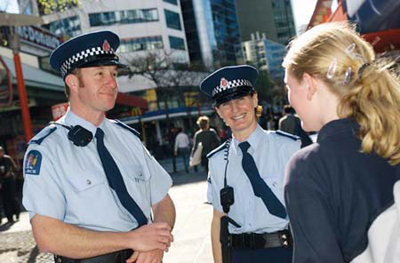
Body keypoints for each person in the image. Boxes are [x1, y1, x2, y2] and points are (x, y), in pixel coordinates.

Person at [22, 30, 175, 263]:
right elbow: (47, 235)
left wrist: (156, 241)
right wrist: (131, 240)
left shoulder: (128, 138)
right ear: (73, 82)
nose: (112, 83)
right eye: (100, 74)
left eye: (113, 73)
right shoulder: (47, 149)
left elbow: (163, 202)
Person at [283, 22, 400, 263]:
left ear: (309, 84)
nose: (290, 99)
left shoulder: (309, 167)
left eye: (288, 86)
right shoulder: (391, 137)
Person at [201, 65, 301, 263]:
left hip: (285, 253)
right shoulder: (218, 161)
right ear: (218, 112)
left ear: (254, 99)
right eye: (226, 104)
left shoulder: (288, 148)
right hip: (240, 256)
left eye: (240, 99)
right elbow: (218, 221)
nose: (235, 109)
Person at [0, 146, 20, 224]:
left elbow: (15, 168)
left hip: (10, 180)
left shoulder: (7, 159)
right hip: (2, 182)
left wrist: (10, 173)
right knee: (5, 200)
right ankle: (9, 217)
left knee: (12, 197)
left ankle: (17, 212)